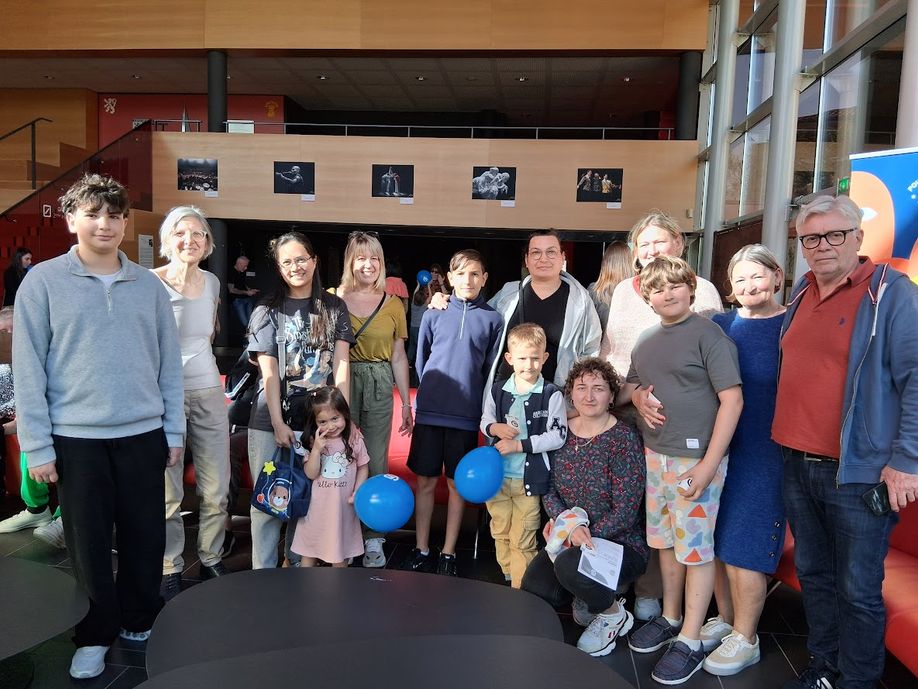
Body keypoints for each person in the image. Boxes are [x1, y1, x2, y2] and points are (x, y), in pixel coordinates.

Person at [12, 173, 185, 680]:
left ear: (126, 223)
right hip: (75, 438)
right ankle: (93, 633)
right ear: (71, 220)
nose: (104, 224)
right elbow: (28, 368)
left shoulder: (149, 286)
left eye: (113, 215)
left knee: (145, 536)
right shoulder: (43, 282)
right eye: (92, 214)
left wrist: (173, 431)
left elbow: (168, 366)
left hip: (143, 434)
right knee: (87, 545)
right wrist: (37, 445)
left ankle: (139, 620)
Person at [771, 195, 918, 689]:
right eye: (811, 238)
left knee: (858, 590)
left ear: (857, 237)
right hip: (796, 462)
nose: (822, 246)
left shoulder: (891, 294)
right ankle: (825, 668)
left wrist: (907, 460)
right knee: (815, 576)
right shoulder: (801, 292)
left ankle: (857, 680)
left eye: (835, 235)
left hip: (858, 473)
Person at [622, 256, 742, 685]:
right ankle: (671, 616)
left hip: (697, 461)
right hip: (656, 455)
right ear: (647, 297)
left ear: (691, 287)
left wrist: (709, 465)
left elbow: (732, 400)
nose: (667, 293)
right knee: (666, 542)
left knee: (696, 549)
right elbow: (629, 385)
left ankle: (691, 636)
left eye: (675, 285)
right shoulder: (646, 339)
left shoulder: (709, 335)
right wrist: (637, 396)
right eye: (658, 288)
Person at [603, 210, 723, 623]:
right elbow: (613, 353)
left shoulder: (701, 291)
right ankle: (618, 583)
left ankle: (652, 593)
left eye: (660, 241)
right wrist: (631, 395)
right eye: (644, 244)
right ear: (635, 252)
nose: (652, 250)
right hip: (623, 411)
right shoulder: (624, 291)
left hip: (677, 427)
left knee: (673, 515)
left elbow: (706, 368)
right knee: (632, 504)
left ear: (679, 244)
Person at [520, 358, 647, 658]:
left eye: (598, 388)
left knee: (569, 564)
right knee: (535, 586)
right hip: (570, 536)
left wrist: (581, 534)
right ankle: (586, 594)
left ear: (612, 396)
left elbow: (626, 510)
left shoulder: (623, 439)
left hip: (622, 544)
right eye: (581, 388)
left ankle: (613, 614)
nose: (589, 396)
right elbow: (548, 489)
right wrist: (565, 525)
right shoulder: (560, 434)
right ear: (571, 394)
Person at [699, 245, 786, 675]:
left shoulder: (792, 323)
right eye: (740, 280)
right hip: (718, 446)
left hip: (767, 450)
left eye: (757, 276)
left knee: (745, 542)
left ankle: (746, 637)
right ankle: (727, 618)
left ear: (777, 276)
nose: (749, 286)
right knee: (716, 538)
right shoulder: (720, 325)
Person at [246, 232, 354, 570]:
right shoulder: (267, 308)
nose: (296, 267)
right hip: (269, 420)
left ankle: (295, 571)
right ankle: (263, 575)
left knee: (306, 497)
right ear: (279, 268)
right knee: (267, 500)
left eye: (301, 259)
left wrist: (344, 421)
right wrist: (278, 422)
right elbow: (268, 370)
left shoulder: (334, 307)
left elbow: (341, 365)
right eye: (287, 262)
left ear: (314, 261)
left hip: (316, 422)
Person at [401, 249, 503, 576]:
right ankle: (421, 548)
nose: (468, 280)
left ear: (484, 278)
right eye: (461, 274)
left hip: (466, 415)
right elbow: (421, 360)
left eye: (475, 274)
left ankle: (448, 552)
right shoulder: (434, 313)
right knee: (426, 482)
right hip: (431, 412)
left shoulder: (493, 319)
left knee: (457, 484)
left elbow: (490, 369)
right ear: (449, 277)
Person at [153, 206, 231, 601]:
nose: (190, 240)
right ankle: (170, 564)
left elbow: (208, 333)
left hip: (209, 390)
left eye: (198, 233)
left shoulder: (212, 282)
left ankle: (211, 555)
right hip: (165, 395)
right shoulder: (151, 282)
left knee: (217, 487)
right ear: (168, 240)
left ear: (207, 242)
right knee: (168, 492)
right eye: (181, 233)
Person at [337, 231, 413, 568]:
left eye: (374, 258)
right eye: (361, 258)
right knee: (339, 456)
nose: (368, 265)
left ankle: (373, 535)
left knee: (376, 458)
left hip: (380, 382)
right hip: (342, 380)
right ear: (350, 261)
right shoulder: (333, 298)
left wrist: (406, 404)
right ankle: (340, 531)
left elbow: (398, 356)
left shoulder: (393, 303)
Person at [480, 323, 567, 587]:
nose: (528, 365)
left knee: (523, 537)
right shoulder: (498, 390)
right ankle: (508, 574)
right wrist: (494, 428)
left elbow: (558, 436)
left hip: (528, 481)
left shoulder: (551, 394)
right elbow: (485, 420)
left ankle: (520, 589)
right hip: (497, 478)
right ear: (509, 358)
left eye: (534, 358)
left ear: (545, 358)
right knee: (500, 530)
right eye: (521, 358)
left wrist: (520, 446)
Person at [0, 305, 66, 547]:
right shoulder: (5, 365)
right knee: (30, 438)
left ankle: (65, 517)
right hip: (30, 423)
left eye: (13, 330)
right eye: (4, 332)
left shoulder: (48, 354)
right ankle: (36, 510)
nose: (10, 336)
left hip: (65, 423)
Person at [290, 386, 369, 567]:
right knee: (309, 552)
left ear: (345, 415)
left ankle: (338, 586)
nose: (331, 426)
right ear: (315, 422)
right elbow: (311, 474)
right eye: (323, 422)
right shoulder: (314, 442)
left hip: (343, 509)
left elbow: (363, 466)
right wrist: (316, 450)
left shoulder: (354, 439)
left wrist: (357, 491)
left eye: (335, 418)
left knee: (339, 554)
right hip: (317, 509)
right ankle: (304, 585)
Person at [587, 241, 634, 333]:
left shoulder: (593, 290)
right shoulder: (637, 291)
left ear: (606, 263)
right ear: (629, 263)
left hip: (600, 341)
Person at [228, 255, 258, 329]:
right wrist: (247, 292)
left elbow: (242, 284)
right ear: (239, 264)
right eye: (244, 266)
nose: (246, 268)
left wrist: (249, 290)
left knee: (251, 320)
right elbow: (231, 290)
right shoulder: (231, 273)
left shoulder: (242, 272)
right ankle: (248, 333)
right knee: (245, 322)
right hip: (238, 300)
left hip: (247, 299)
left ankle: (250, 333)